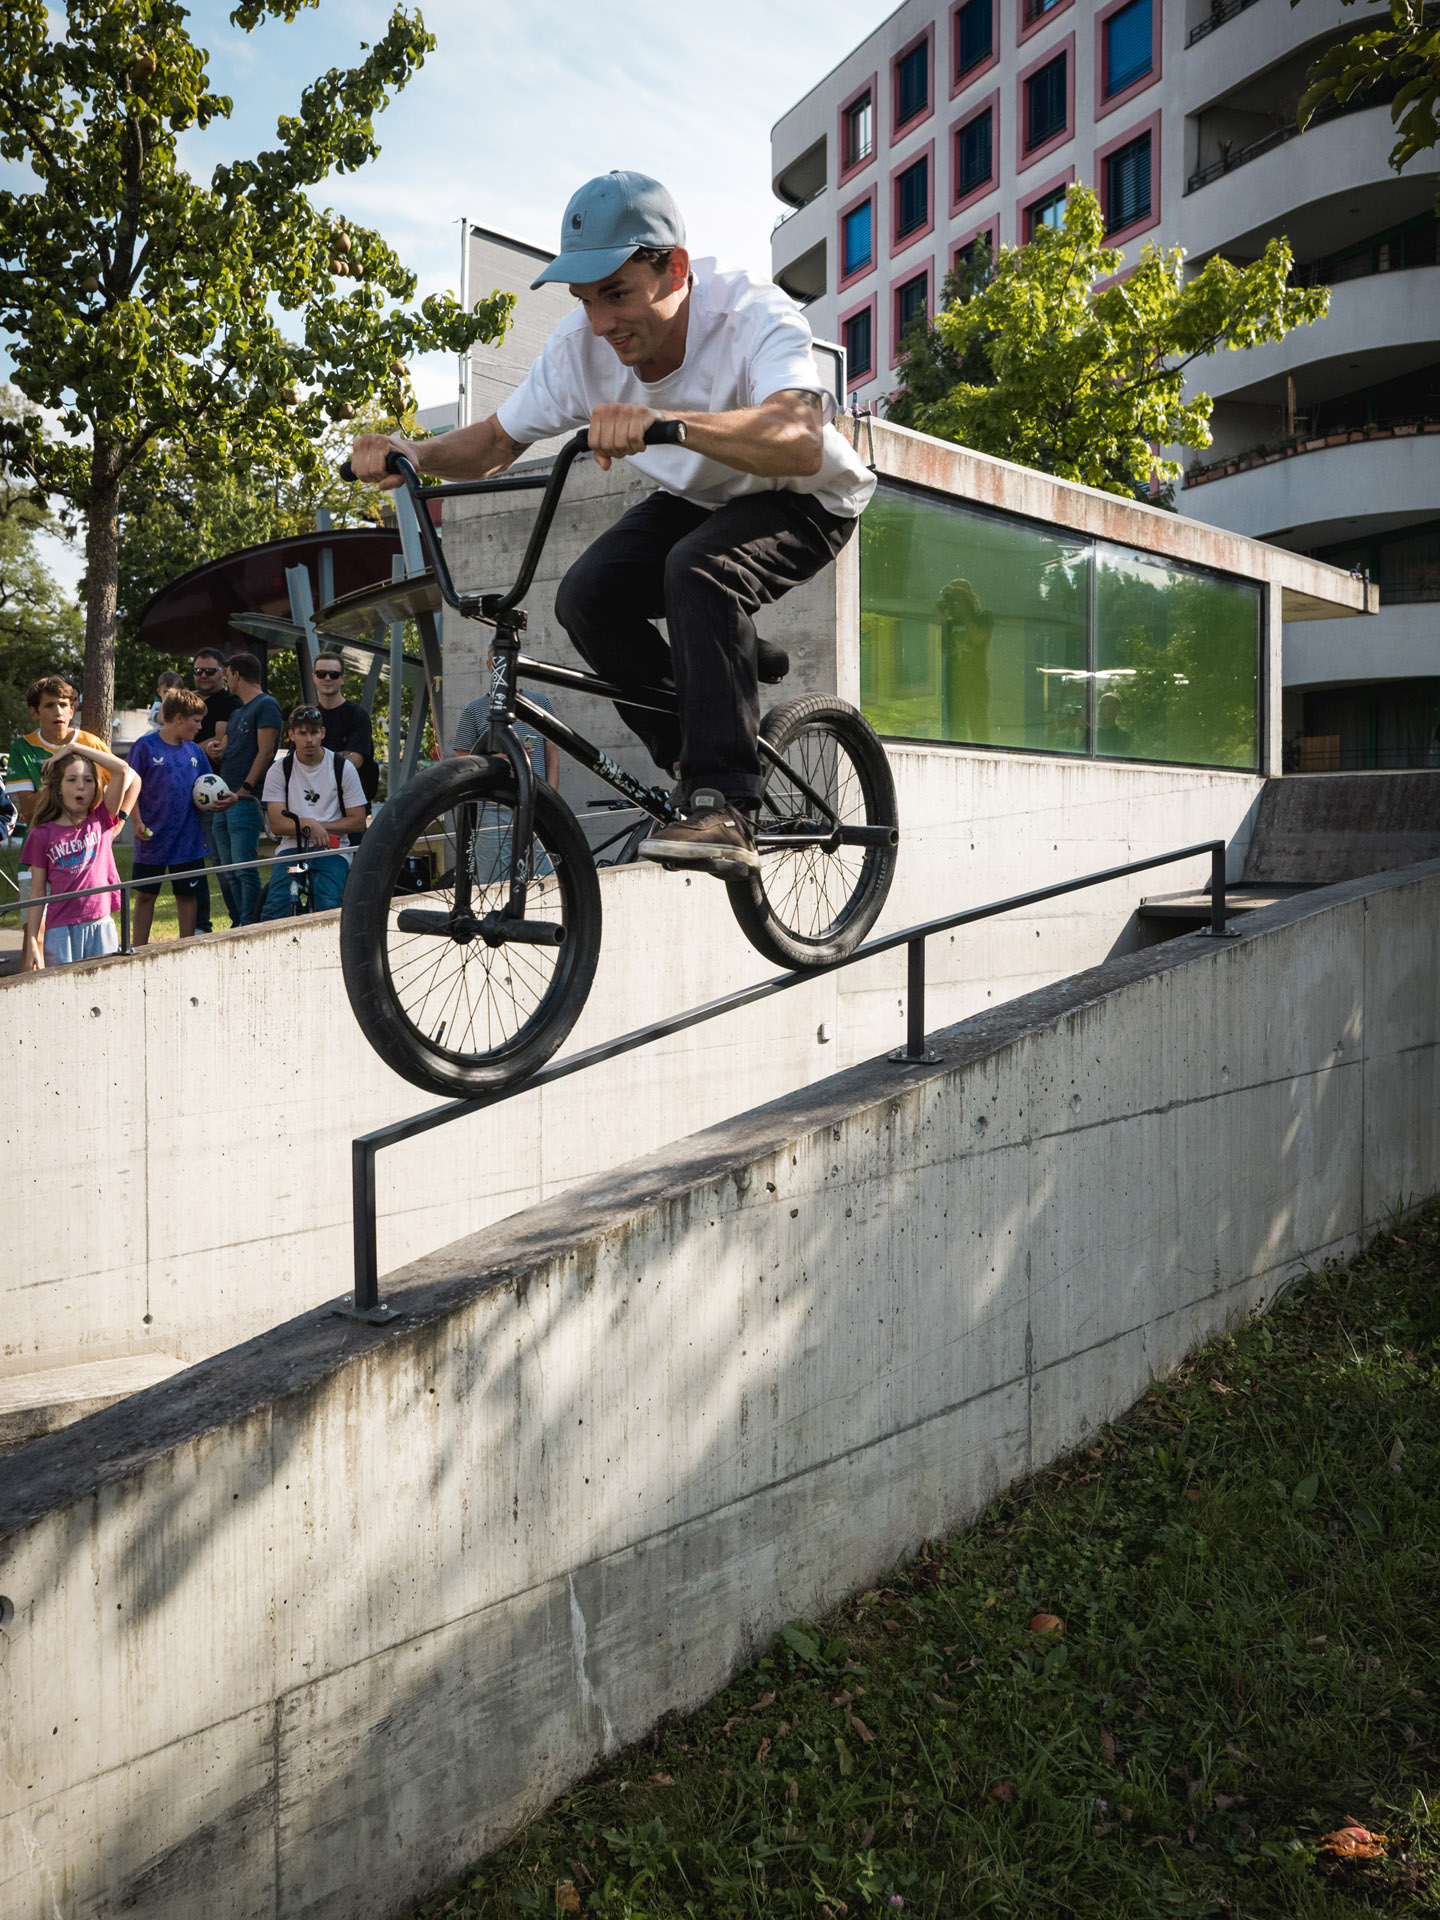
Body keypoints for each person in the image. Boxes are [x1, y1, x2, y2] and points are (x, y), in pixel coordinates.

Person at [350, 170, 874, 881]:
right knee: (586, 596)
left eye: (618, 295)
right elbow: (496, 444)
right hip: (702, 497)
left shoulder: (751, 314)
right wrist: (416, 452)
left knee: (699, 568)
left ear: (675, 270)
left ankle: (726, 800)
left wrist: (670, 424)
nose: (601, 324)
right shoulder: (580, 349)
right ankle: (694, 748)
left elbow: (799, 438)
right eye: (585, 301)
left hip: (805, 494)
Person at [19, 739, 135, 969]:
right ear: (58, 789)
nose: (80, 786)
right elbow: (37, 891)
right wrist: (32, 938)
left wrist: (74, 747)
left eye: (88, 780)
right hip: (60, 930)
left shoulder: (102, 818)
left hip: (101, 923)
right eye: (71, 780)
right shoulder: (41, 834)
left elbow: (121, 769)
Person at [259, 705, 367, 919]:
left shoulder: (342, 767)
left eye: (314, 732)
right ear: (291, 735)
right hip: (292, 853)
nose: (309, 739)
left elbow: (358, 822)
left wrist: (319, 827)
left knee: (328, 905)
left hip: (332, 852)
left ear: (323, 733)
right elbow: (277, 824)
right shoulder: (279, 769)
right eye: (302, 733)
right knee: (277, 906)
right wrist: (308, 823)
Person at [125, 688, 211, 946]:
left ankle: (185, 948)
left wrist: (222, 799)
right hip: (151, 839)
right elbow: (131, 788)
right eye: (195, 721)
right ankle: (138, 949)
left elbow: (209, 786)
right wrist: (138, 821)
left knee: (187, 896)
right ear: (178, 718)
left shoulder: (195, 751)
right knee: (145, 895)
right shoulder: (145, 746)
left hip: (188, 841)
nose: (199, 726)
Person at [6, 675, 139, 826]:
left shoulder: (89, 743)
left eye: (63, 705)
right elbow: (29, 811)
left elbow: (134, 779)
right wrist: (64, 781)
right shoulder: (23, 747)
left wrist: (119, 823)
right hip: (42, 842)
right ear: (34, 712)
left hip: (88, 842)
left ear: (71, 710)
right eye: (49, 705)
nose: (58, 712)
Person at [210, 652, 281, 926]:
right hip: (223, 799)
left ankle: (250, 924)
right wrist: (217, 750)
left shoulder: (267, 705)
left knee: (243, 868)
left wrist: (244, 790)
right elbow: (224, 749)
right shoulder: (238, 711)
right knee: (227, 870)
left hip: (243, 800)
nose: (224, 679)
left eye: (225, 673)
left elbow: (265, 754)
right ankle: (237, 921)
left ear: (236, 674)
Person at [451, 655, 561, 787]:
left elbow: (552, 756)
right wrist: (504, 756)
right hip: (490, 803)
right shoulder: (473, 709)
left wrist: (551, 797)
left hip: (536, 800)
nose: (504, 667)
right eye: (498, 662)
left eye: (509, 661)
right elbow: (462, 759)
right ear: (489, 666)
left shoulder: (540, 702)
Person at [192, 647, 240, 932]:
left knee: (223, 862)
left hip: (216, 796)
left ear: (223, 672)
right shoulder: (185, 701)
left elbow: (218, 747)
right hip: (183, 796)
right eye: (198, 671)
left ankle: (241, 920)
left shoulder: (228, 702)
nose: (204, 676)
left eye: (210, 671)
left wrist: (189, 749)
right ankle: (199, 925)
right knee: (190, 862)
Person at [311, 650, 380, 807]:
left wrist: (314, 761)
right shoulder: (309, 716)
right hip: (315, 804)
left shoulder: (358, 715)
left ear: (342, 679)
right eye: (321, 674)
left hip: (351, 805)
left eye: (334, 674)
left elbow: (354, 761)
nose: (327, 678)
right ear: (314, 677)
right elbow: (297, 759)